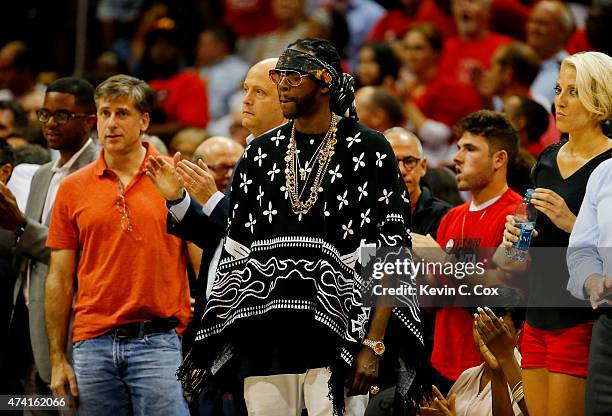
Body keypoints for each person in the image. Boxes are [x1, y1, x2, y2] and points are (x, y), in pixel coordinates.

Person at [175, 37, 427, 416]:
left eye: (293, 76)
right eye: (279, 77)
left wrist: (373, 344)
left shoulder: (370, 150)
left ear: (324, 81)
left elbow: (392, 254)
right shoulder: (259, 154)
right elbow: (234, 251)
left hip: (340, 338)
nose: (283, 85)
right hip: (265, 339)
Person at [44, 74, 191, 415]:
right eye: (105, 113)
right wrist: (57, 357)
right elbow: (59, 277)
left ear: (144, 121)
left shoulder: (175, 175)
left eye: (122, 113)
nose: (110, 123)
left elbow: (204, 262)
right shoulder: (72, 187)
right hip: (92, 342)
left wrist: (202, 342)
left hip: (160, 341)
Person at [502, 51, 612, 416]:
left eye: (573, 92)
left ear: (600, 101)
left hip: (580, 318)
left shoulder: (609, 166)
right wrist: (516, 236)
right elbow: (530, 245)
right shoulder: (547, 158)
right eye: (557, 89)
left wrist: (571, 221)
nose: (559, 101)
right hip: (538, 313)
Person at [0, 78, 98, 413]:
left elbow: (79, 250)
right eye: (44, 113)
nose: (50, 123)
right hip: (28, 309)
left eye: (62, 115)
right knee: (31, 405)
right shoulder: (43, 173)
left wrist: (20, 225)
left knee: (69, 405)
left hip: (72, 316)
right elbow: (27, 243)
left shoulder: (99, 172)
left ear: (90, 121)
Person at [413, 110, 523, 395]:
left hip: (490, 371)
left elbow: (504, 293)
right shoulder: (452, 217)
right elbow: (431, 301)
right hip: (442, 363)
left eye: (470, 149)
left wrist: (442, 261)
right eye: (459, 147)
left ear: (499, 159)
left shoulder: (517, 216)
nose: (457, 158)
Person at [421, 302, 526, 416]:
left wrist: (497, 372)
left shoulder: (526, 381)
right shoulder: (466, 376)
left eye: (502, 332)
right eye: (485, 329)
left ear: (518, 333)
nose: (492, 338)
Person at [398, 23, 481, 167]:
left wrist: (406, 104)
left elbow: (439, 137)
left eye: (418, 48)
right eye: (406, 48)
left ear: (436, 53)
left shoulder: (450, 87)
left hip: (440, 166)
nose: (410, 55)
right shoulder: (408, 87)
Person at [384, 127, 450, 239]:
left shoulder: (446, 217)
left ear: (423, 166)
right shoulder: (363, 214)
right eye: (391, 161)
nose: (401, 171)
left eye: (409, 161)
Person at [195, 26, 249, 121]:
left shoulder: (240, 69)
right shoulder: (202, 70)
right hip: (201, 121)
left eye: (204, 44)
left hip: (228, 121)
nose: (199, 49)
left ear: (221, 45)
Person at [526, 0, 574, 105]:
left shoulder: (572, 72)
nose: (534, 28)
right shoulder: (520, 64)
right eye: (531, 21)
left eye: (542, 23)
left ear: (563, 31)